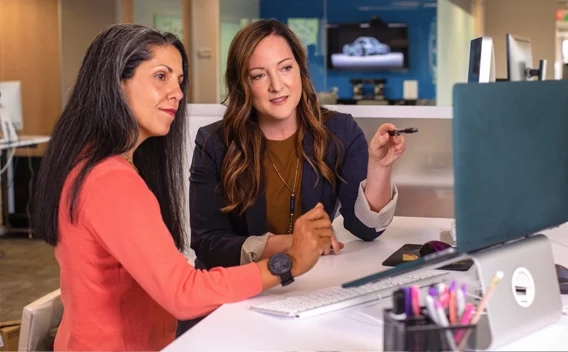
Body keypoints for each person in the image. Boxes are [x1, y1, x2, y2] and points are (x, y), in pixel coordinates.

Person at [31, 23, 333, 351]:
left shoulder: (89, 162)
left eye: (179, 80)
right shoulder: (109, 180)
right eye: (161, 76)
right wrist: (288, 264)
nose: (176, 92)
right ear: (115, 83)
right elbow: (183, 294)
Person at [181, 19, 406, 334]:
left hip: (305, 295)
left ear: (300, 70)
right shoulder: (214, 142)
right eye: (259, 75)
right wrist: (292, 246)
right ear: (242, 84)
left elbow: (365, 229)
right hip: (234, 298)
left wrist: (380, 167)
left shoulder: (340, 130)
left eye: (285, 68)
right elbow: (207, 244)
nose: (277, 86)